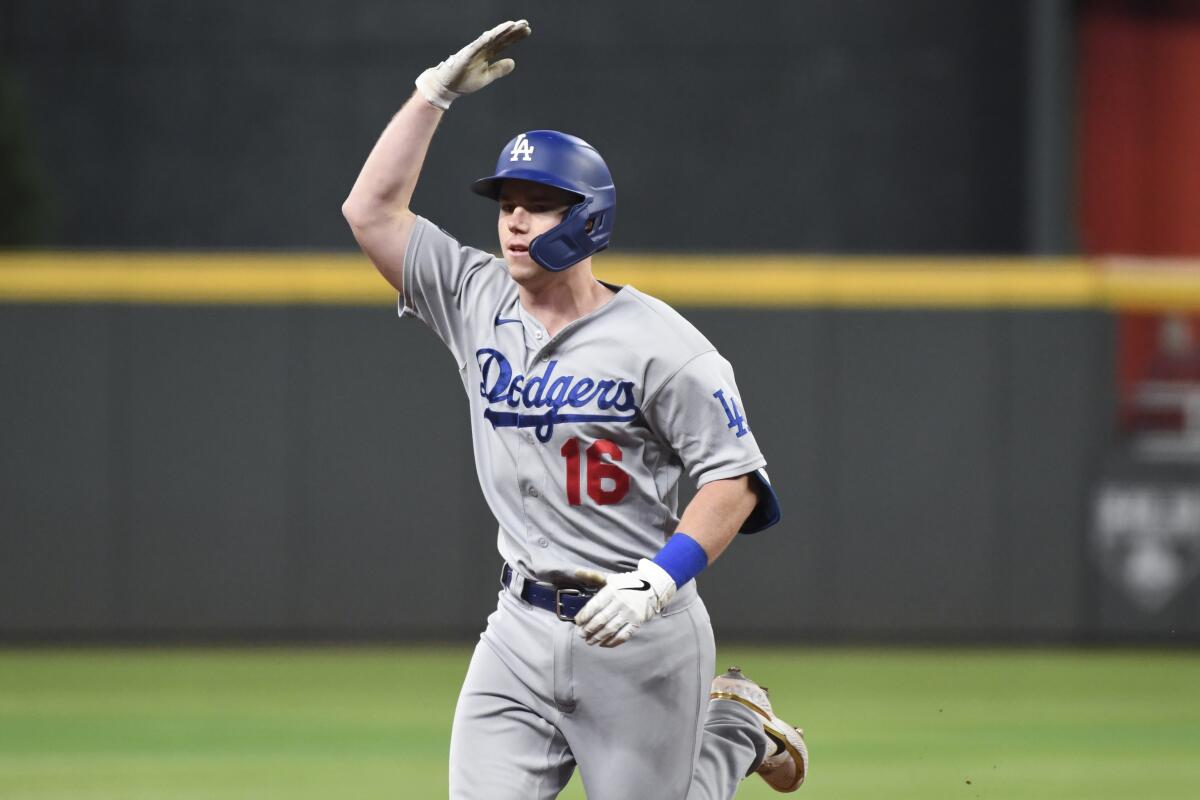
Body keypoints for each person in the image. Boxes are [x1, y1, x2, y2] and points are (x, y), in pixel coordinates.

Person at [342, 19, 808, 799]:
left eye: (541, 205)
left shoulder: (666, 345)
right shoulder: (474, 295)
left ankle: (734, 729)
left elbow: (735, 483)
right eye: (508, 204)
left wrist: (658, 583)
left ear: (588, 217)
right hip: (519, 628)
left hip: (641, 633)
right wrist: (431, 95)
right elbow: (370, 213)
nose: (515, 221)